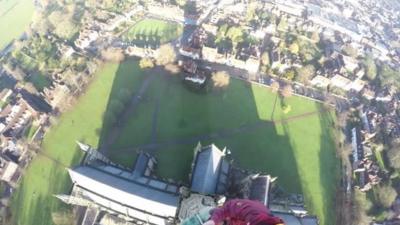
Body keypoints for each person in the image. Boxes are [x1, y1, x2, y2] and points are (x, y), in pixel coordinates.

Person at [203, 199, 284, 225]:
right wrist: (213, 221)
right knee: (211, 212)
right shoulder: (254, 211)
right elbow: (227, 209)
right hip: (231, 217)